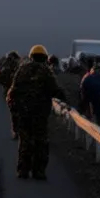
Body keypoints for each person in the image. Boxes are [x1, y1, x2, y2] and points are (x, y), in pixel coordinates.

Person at [7, 45, 65, 179]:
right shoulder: (46, 71)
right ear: (45, 57)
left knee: (25, 141)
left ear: (31, 56)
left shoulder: (22, 70)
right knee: (41, 141)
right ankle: (39, 171)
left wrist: (15, 110)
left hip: (24, 112)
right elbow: (55, 90)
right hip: (40, 114)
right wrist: (65, 100)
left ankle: (23, 170)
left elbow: (13, 91)